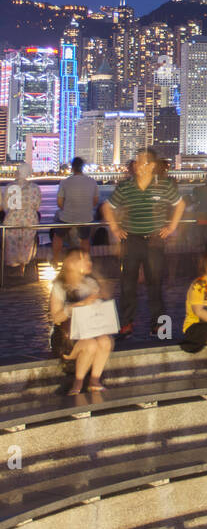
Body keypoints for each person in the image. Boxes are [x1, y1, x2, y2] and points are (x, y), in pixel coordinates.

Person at [102, 148, 185, 338]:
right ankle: (126, 324)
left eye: (142, 162)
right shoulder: (126, 187)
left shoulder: (163, 185)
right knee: (127, 284)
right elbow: (107, 206)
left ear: (152, 166)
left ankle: (160, 326)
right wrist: (115, 228)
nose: (138, 165)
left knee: (155, 284)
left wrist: (171, 227)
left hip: (155, 240)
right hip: (131, 240)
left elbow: (180, 205)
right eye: (137, 162)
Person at [48, 248, 113, 394]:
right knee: (90, 344)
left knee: (105, 341)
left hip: (90, 330)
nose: (90, 263)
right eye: (85, 259)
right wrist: (77, 305)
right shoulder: (61, 286)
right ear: (72, 263)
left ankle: (94, 380)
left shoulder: (90, 283)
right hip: (68, 338)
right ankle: (77, 384)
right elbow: (56, 317)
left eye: (90, 259)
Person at [53, 157, 99, 260]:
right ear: (83, 167)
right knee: (85, 239)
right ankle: (86, 260)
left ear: (72, 168)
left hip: (68, 216)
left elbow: (59, 203)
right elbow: (95, 201)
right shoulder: (92, 182)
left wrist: (68, 208)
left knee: (58, 236)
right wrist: (85, 208)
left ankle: (55, 259)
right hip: (85, 217)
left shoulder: (65, 182)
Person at [1, 164, 43, 274]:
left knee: (12, 245)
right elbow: (37, 205)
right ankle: (24, 268)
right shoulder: (35, 187)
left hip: (12, 219)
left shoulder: (9, 186)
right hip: (30, 219)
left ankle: (12, 269)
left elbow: (5, 206)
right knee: (27, 245)